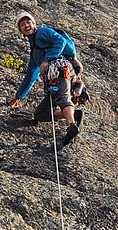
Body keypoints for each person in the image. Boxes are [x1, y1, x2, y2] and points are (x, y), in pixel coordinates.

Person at [7, 11, 85, 145]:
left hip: (60, 68)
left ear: (34, 24)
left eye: (29, 22)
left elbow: (59, 41)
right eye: (23, 24)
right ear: (21, 31)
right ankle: (74, 115)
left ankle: (71, 126)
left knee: (62, 98)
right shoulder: (35, 52)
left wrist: (47, 60)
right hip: (54, 77)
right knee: (40, 114)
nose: (26, 25)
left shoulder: (42, 32)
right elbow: (30, 76)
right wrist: (18, 97)